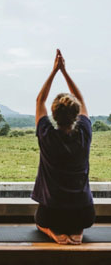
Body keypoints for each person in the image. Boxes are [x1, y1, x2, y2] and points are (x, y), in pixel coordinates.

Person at [32, 49, 95, 245]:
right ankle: (77, 233)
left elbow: (39, 100)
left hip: (51, 215)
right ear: (76, 115)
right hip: (85, 215)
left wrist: (54, 71)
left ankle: (54, 234)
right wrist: (65, 72)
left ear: (54, 116)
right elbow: (82, 100)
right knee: (77, 218)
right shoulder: (84, 132)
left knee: (39, 222)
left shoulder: (47, 135)